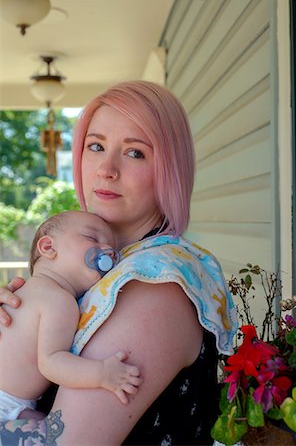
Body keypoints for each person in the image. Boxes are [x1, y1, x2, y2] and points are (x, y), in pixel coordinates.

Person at [0, 80, 238, 446]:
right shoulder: (98, 268)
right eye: (96, 146)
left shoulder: (157, 284)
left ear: (170, 170)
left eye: (135, 153)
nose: (106, 169)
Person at [0, 210, 141, 422]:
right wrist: (102, 374)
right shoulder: (59, 300)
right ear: (48, 247)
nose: (109, 252)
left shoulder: (24, 291)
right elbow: (51, 363)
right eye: (92, 238)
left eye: (113, 249)